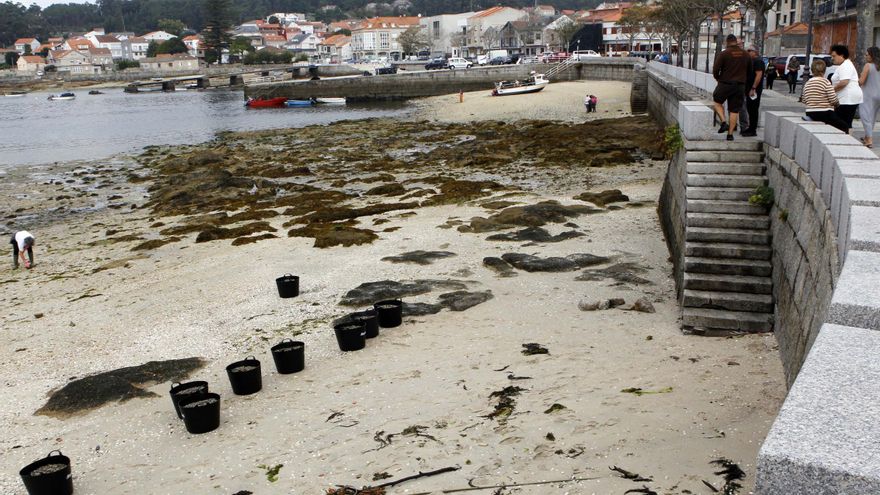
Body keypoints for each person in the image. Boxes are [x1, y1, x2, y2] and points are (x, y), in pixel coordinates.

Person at [712, 34, 750, 141]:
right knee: (734, 110)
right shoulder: (746, 55)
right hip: (740, 86)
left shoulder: (724, 54)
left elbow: (715, 69)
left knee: (717, 101)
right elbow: (750, 71)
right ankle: (730, 135)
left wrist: (718, 78)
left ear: (727, 42)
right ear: (736, 42)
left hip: (725, 83)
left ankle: (724, 122)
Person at [802, 60, 848, 132]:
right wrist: (837, 104)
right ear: (824, 71)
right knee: (844, 126)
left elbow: (804, 100)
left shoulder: (807, 83)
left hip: (810, 112)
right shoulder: (825, 82)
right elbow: (833, 99)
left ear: (812, 70)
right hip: (824, 113)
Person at [830, 44, 863, 134]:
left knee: (842, 122)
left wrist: (831, 90)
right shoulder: (845, 65)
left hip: (847, 98)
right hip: (847, 98)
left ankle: (846, 139)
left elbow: (844, 82)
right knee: (845, 122)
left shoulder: (846, 66)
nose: (832, 58)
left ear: (841, 55)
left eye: (834, 56)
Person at [741, 45, 765, 137]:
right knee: (750, 108)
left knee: (753, 109)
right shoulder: (751, 61)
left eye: (749, 51)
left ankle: (753, 129)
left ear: (755, 52)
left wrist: (753, 88)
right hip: (749, 89)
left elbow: (758, 75)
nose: (747, 52)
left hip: (754, 90)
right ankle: (750, 128)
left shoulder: (758, 61)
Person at [859, 46, 880, 148]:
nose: (866, 56)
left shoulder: (868, 66)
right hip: (878, 95)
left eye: (867, 54)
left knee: (865, 115)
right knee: (872, 116)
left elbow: (861, 81)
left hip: (868, 94)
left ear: (872, 56)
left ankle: (869, 140)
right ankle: (867, 136)